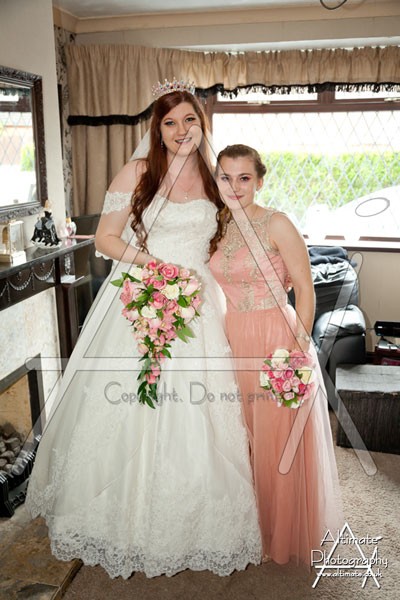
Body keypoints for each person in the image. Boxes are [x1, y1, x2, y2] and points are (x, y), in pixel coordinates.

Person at [25, 86, 262, 579]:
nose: (181, 130)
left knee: (201, 411)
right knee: (129, 406)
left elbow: (236, 231)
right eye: (170, 122)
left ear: (202, 124)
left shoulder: (215, 176)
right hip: (144, 294)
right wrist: (154, 266)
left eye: (189, 120)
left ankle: (196, 521)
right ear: (157, 130)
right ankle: (118, 515)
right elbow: (106, 239)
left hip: (200, 306)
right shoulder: (137, 172)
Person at [210, 144, 343, 568]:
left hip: (275, 336)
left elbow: (305, 289)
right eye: (225, 177)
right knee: (244, 433)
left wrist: (297, 352)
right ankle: (250, 525)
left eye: (244, 178)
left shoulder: (277, 223)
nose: (234, 186)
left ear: (260, 181)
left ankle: (281, 531)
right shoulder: (217, 225)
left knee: (278, 435)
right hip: (232, 337)